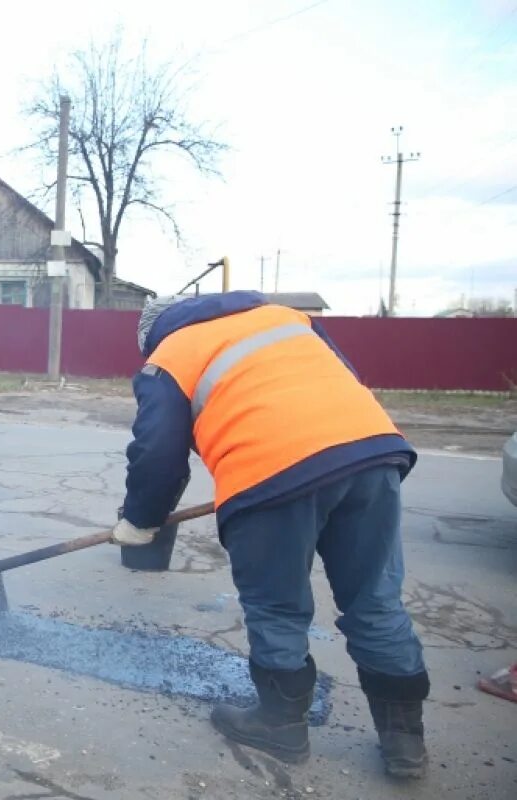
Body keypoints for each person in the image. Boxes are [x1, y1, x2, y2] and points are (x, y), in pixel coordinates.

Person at [111, 291, 429, 779]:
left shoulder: (168, 355)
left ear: (151, 335)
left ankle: (281, 725)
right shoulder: (284, 317)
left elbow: (157, 453)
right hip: (371, 453)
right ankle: (406, 744)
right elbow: (339, 376)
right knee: (377, 601)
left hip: (269, 473)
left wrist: (140, 521)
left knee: (277, 607)